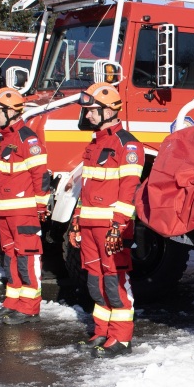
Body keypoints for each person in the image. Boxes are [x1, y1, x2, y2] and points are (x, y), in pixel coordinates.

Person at [67, 83, 142, 358]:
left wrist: (118, 227)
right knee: (94, 282)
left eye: (92, 111)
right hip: (89, 226)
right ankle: (102, 330)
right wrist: (76, 219)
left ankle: (121, 338)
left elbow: (129, 190)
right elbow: (85, 186)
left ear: (109, 110)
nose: (87, 116)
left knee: (115, 281)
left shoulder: (128, 144)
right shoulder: (95, 143)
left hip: (111, 228)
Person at [0, 87, 49, 324]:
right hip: (4, 211)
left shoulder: (27, 138)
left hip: (23, 212)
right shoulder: (7, 139)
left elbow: (40, 175)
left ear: (12, 111)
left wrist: (40, 206)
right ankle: (13, 302)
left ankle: (30, 307)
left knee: (27, 256)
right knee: (10, 256)